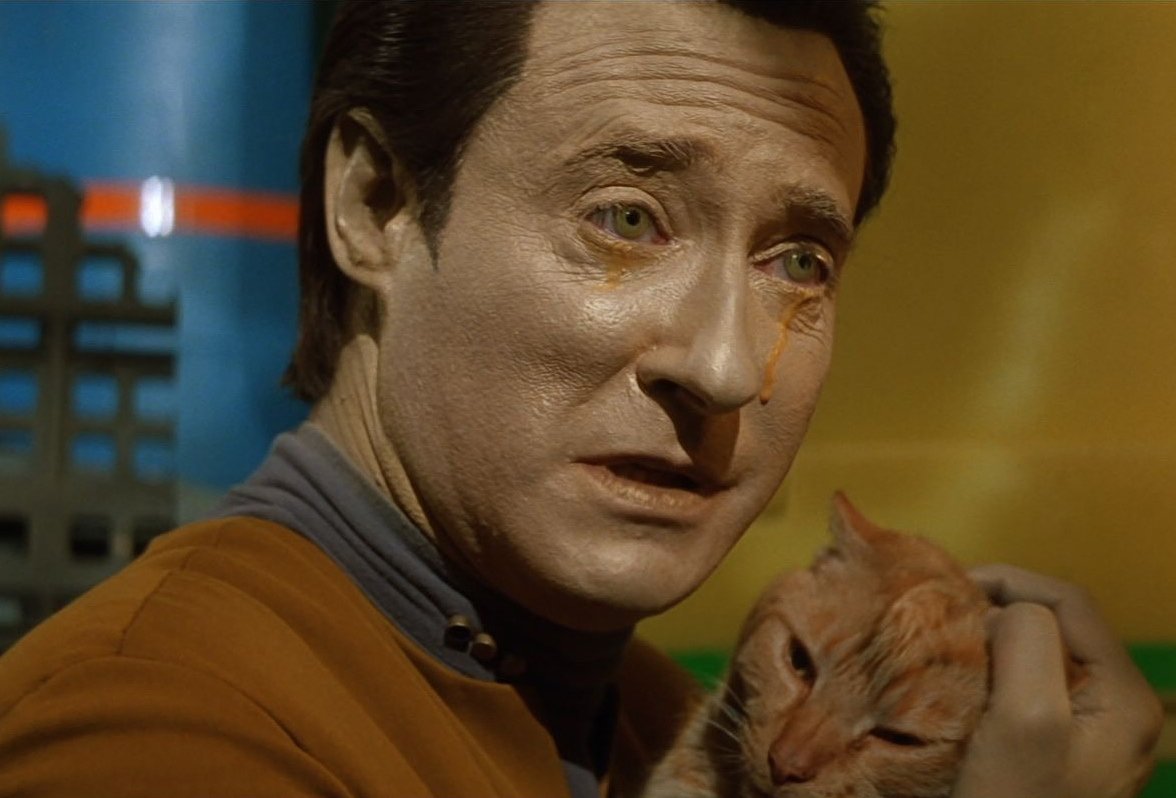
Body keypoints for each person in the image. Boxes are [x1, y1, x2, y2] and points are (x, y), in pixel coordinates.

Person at [0, 2, 1161, 796]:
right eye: (627, 219)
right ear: (374, 205)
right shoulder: (155, 725)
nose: (723, 366)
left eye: (799, 261)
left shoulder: (669, 727)